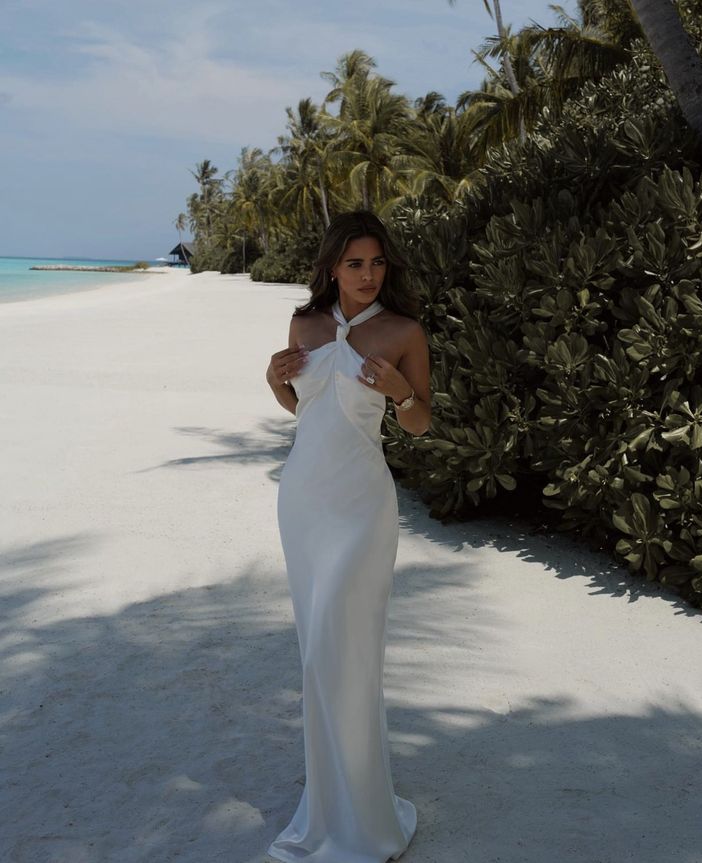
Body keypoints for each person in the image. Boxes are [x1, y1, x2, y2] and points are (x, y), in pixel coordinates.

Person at [265, 210, 431, 862]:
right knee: (316, 652)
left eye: (377, 263)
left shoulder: (402, 331)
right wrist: (272, 381)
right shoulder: (303, 325)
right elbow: (301, 408)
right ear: (332, 266)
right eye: (354, 263)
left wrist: (398, 392)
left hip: (363, 505)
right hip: (302, 499)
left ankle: (362, 815)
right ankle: (333, 799)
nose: (367, 275)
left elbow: (418, 422)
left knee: (347, 648)